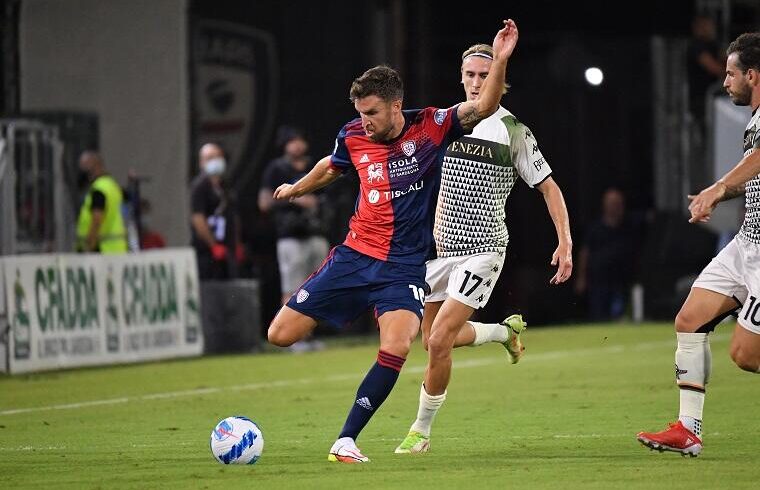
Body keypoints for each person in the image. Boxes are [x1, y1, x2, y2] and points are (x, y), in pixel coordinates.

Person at [266, 19, 519, 463]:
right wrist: (296, 188)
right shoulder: (352, 135)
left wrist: (498, 60)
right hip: (354, 256)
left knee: (398, 345)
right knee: (279, 335)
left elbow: (484, 105)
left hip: (402, 267)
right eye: (360, 113)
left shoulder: (431, 127)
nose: (364, 123)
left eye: (373, 114)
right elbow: (332, 165)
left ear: (396, 105)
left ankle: (346, 439)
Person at [394, 42, 573, 454]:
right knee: (432, 340)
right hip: (440, 252)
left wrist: (564, 241)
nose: (476, 82)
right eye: (470, 74)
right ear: (460, 76)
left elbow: (549, 187)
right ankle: (502, 332)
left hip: (484, 249)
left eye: (485, 75)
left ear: (499, 81)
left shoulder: (513, 131)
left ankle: (420, 432)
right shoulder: (444, 123)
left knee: (439, 342)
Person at [637, 32, 760, 457]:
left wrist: (716, 187)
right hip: (747, 245)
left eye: (730, 74)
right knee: (689, 319)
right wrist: (716, 195)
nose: (725, 82)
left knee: (745, 355)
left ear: (753, 74)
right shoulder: (754, 119)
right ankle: (688, 430)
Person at [258, 127, 330, 306]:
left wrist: (316, 203)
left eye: (300, 140)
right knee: (292, 287)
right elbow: (264, 203)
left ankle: (310, 331)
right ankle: (290, 333)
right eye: (292, 141)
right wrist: (295, 198)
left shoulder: (315, 166)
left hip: (315, 231)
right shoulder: (276, 168)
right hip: (290, 234)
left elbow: (328, 197)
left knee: (317, 285)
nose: (297, 146)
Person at [574, 187, 635, 321]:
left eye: (618, 204)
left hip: (620, 280)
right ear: (605, 206)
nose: (615, 207)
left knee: (619, 315)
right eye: (612, 204)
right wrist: (581, 278)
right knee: (598, 315)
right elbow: (584, 253)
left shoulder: (629, 227)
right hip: (598, 281)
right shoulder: (595, 229)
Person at [190, 143, 244, 280]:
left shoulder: (225, 185)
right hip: (207, 251)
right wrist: (213, 245)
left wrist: (236, 243)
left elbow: (233, 217)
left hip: (227, 248)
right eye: (210, 158)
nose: (215, 161)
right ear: (202, 162)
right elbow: (198, 219)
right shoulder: (200, 186)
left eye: (217, 156)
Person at [75, 150, 128, 254]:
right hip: (116, 249)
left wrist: (88, 247)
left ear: (95, 166)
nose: (82, 172)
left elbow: (97, 219)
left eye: (84, 167)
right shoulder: (112, 186)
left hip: (101, 251)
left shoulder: (99, 190)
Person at [687, 14, 725, 128]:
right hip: (702, 99)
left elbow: (726, 59)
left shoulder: (713, 45)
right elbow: (713, 68)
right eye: (705, 26)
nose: (709, 29)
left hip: (715, 98)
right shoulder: (696, 46)